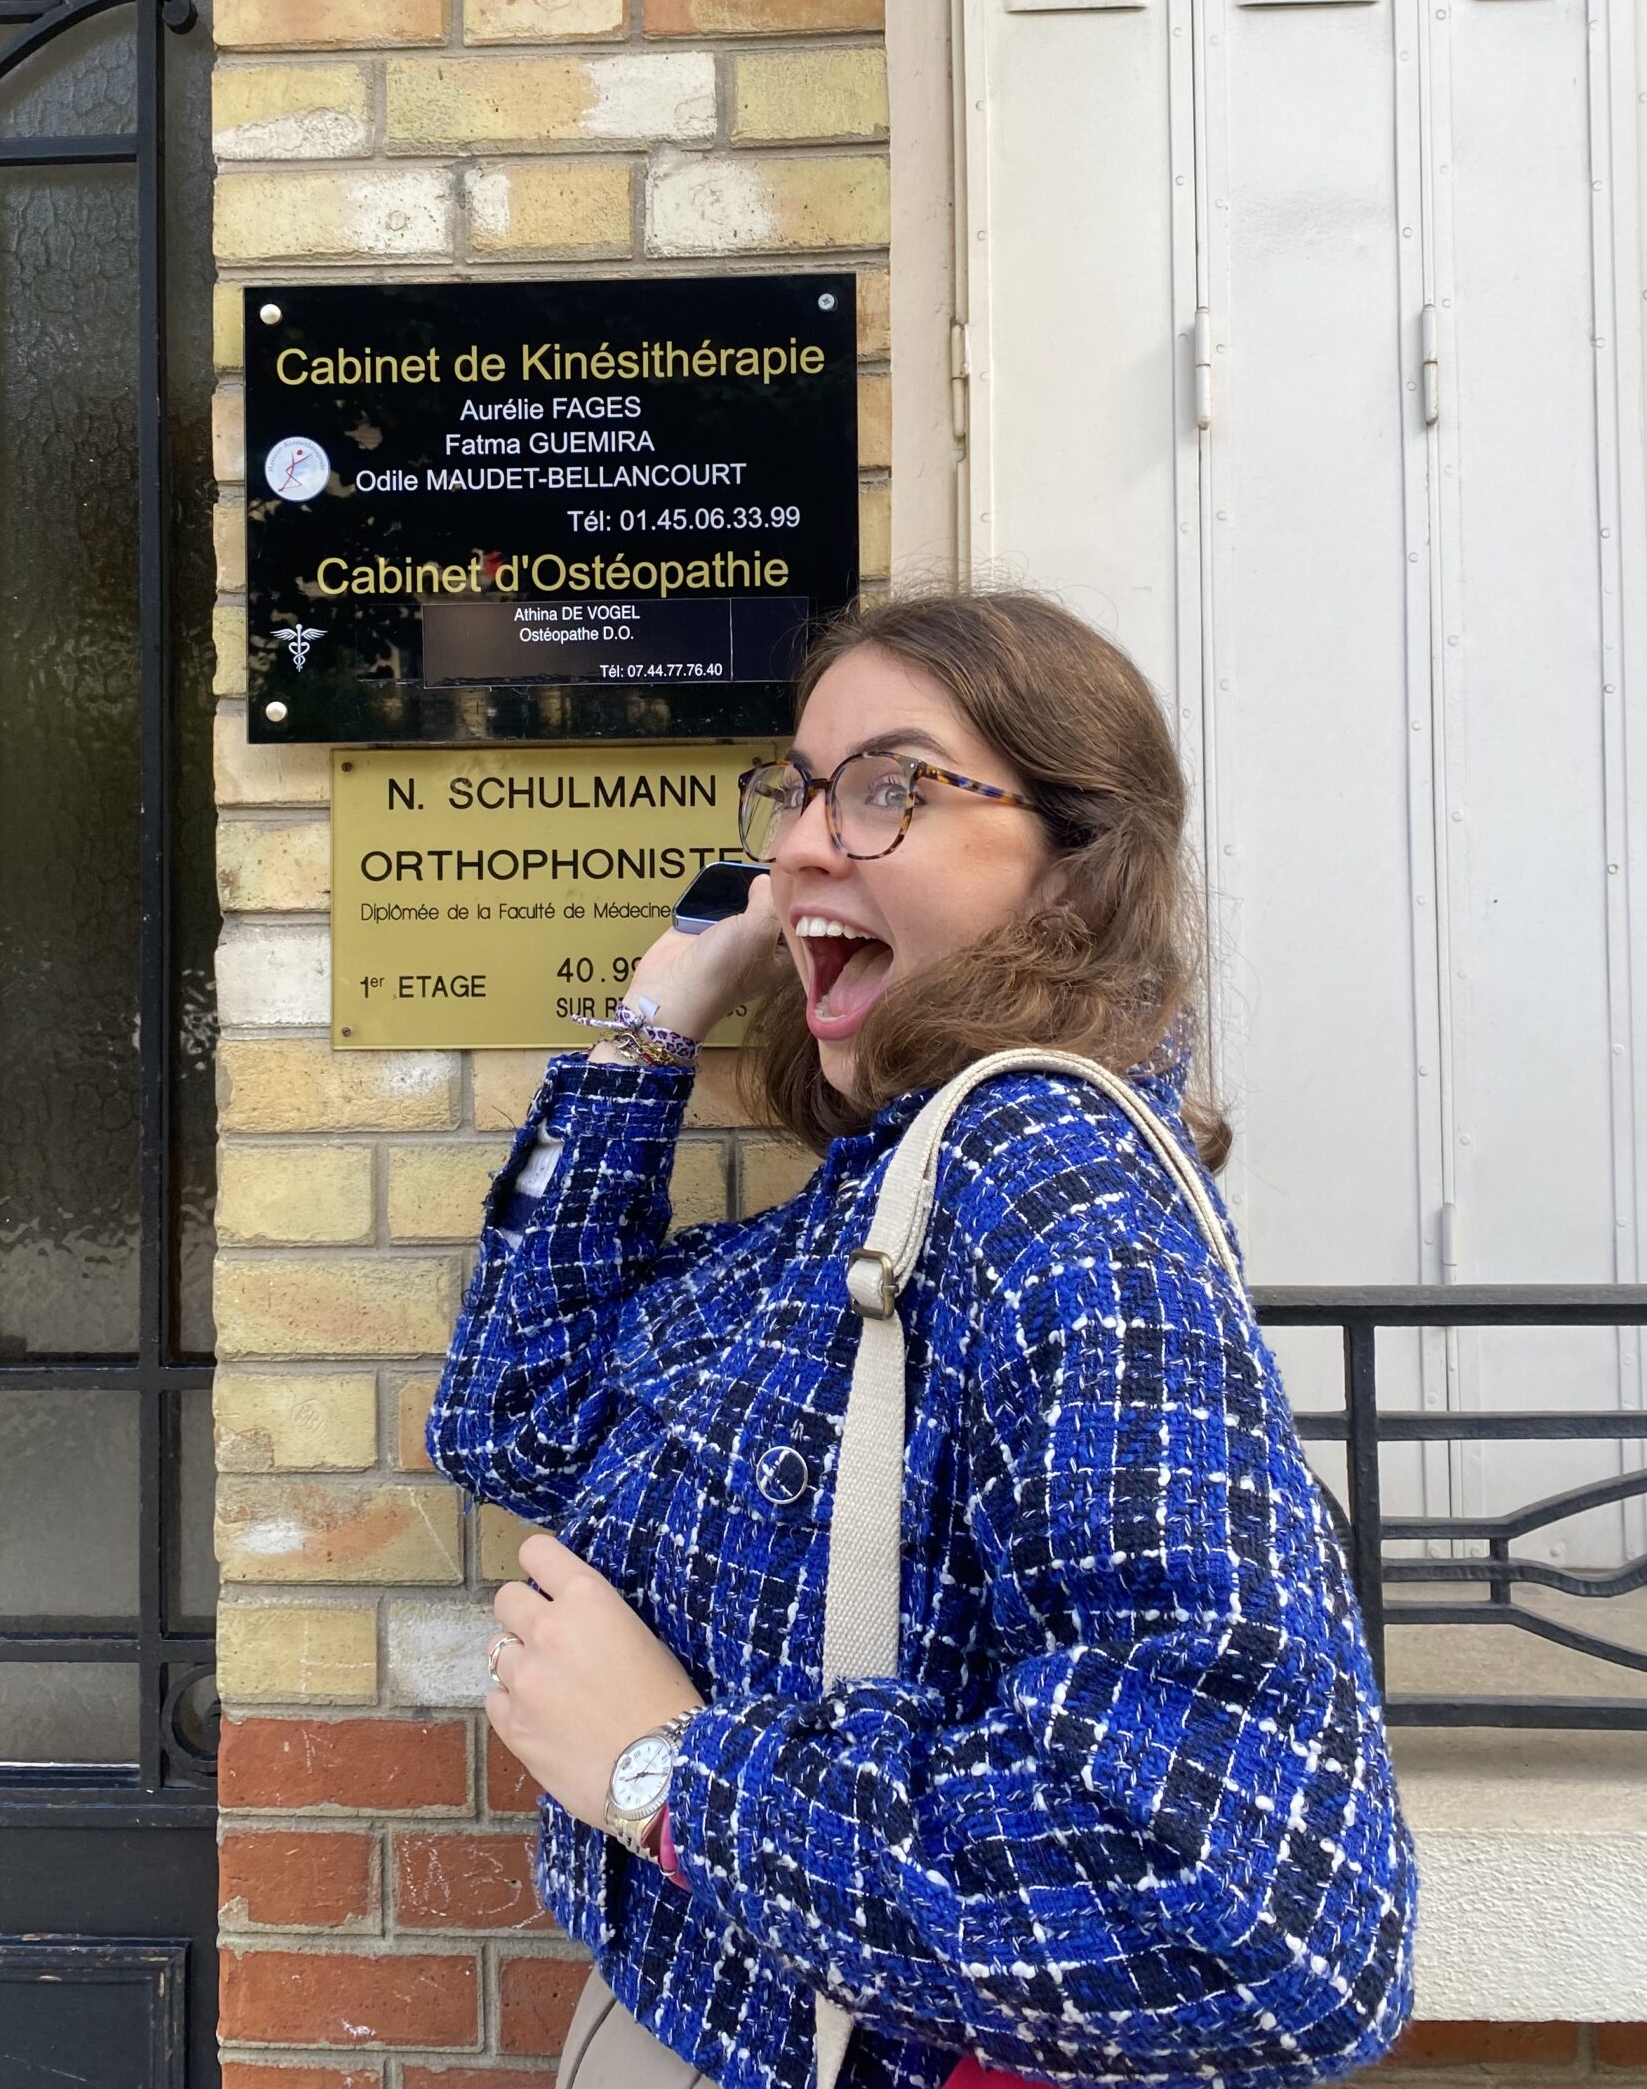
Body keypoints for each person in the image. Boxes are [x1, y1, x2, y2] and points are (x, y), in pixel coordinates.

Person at [428, 591, 1416, 2089]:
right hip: (695, 2014)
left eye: (895, 788)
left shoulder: (1051, 1191)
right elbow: (517, 1416)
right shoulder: (888, 1194)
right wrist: (650, 1027)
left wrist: (674, 1776)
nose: (809, 841)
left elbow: (1263, 1922)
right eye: (804, 788)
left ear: (1076, 877)